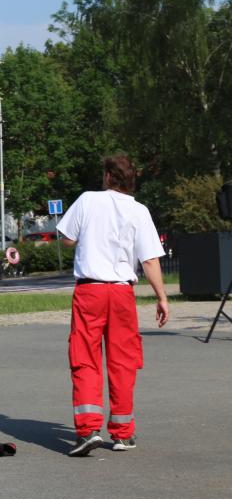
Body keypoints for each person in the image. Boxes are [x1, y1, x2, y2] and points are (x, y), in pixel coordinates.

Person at [57, 153, 168, 456]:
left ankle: (88, 430)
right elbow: (150, 259)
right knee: (123, 360)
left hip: (90, 290)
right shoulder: (139, 211)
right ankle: (122, 433)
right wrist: (161, 297)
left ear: (108, 176)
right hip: (121, 293)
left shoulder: (87, 200)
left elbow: (66, 238)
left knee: (85, 357)